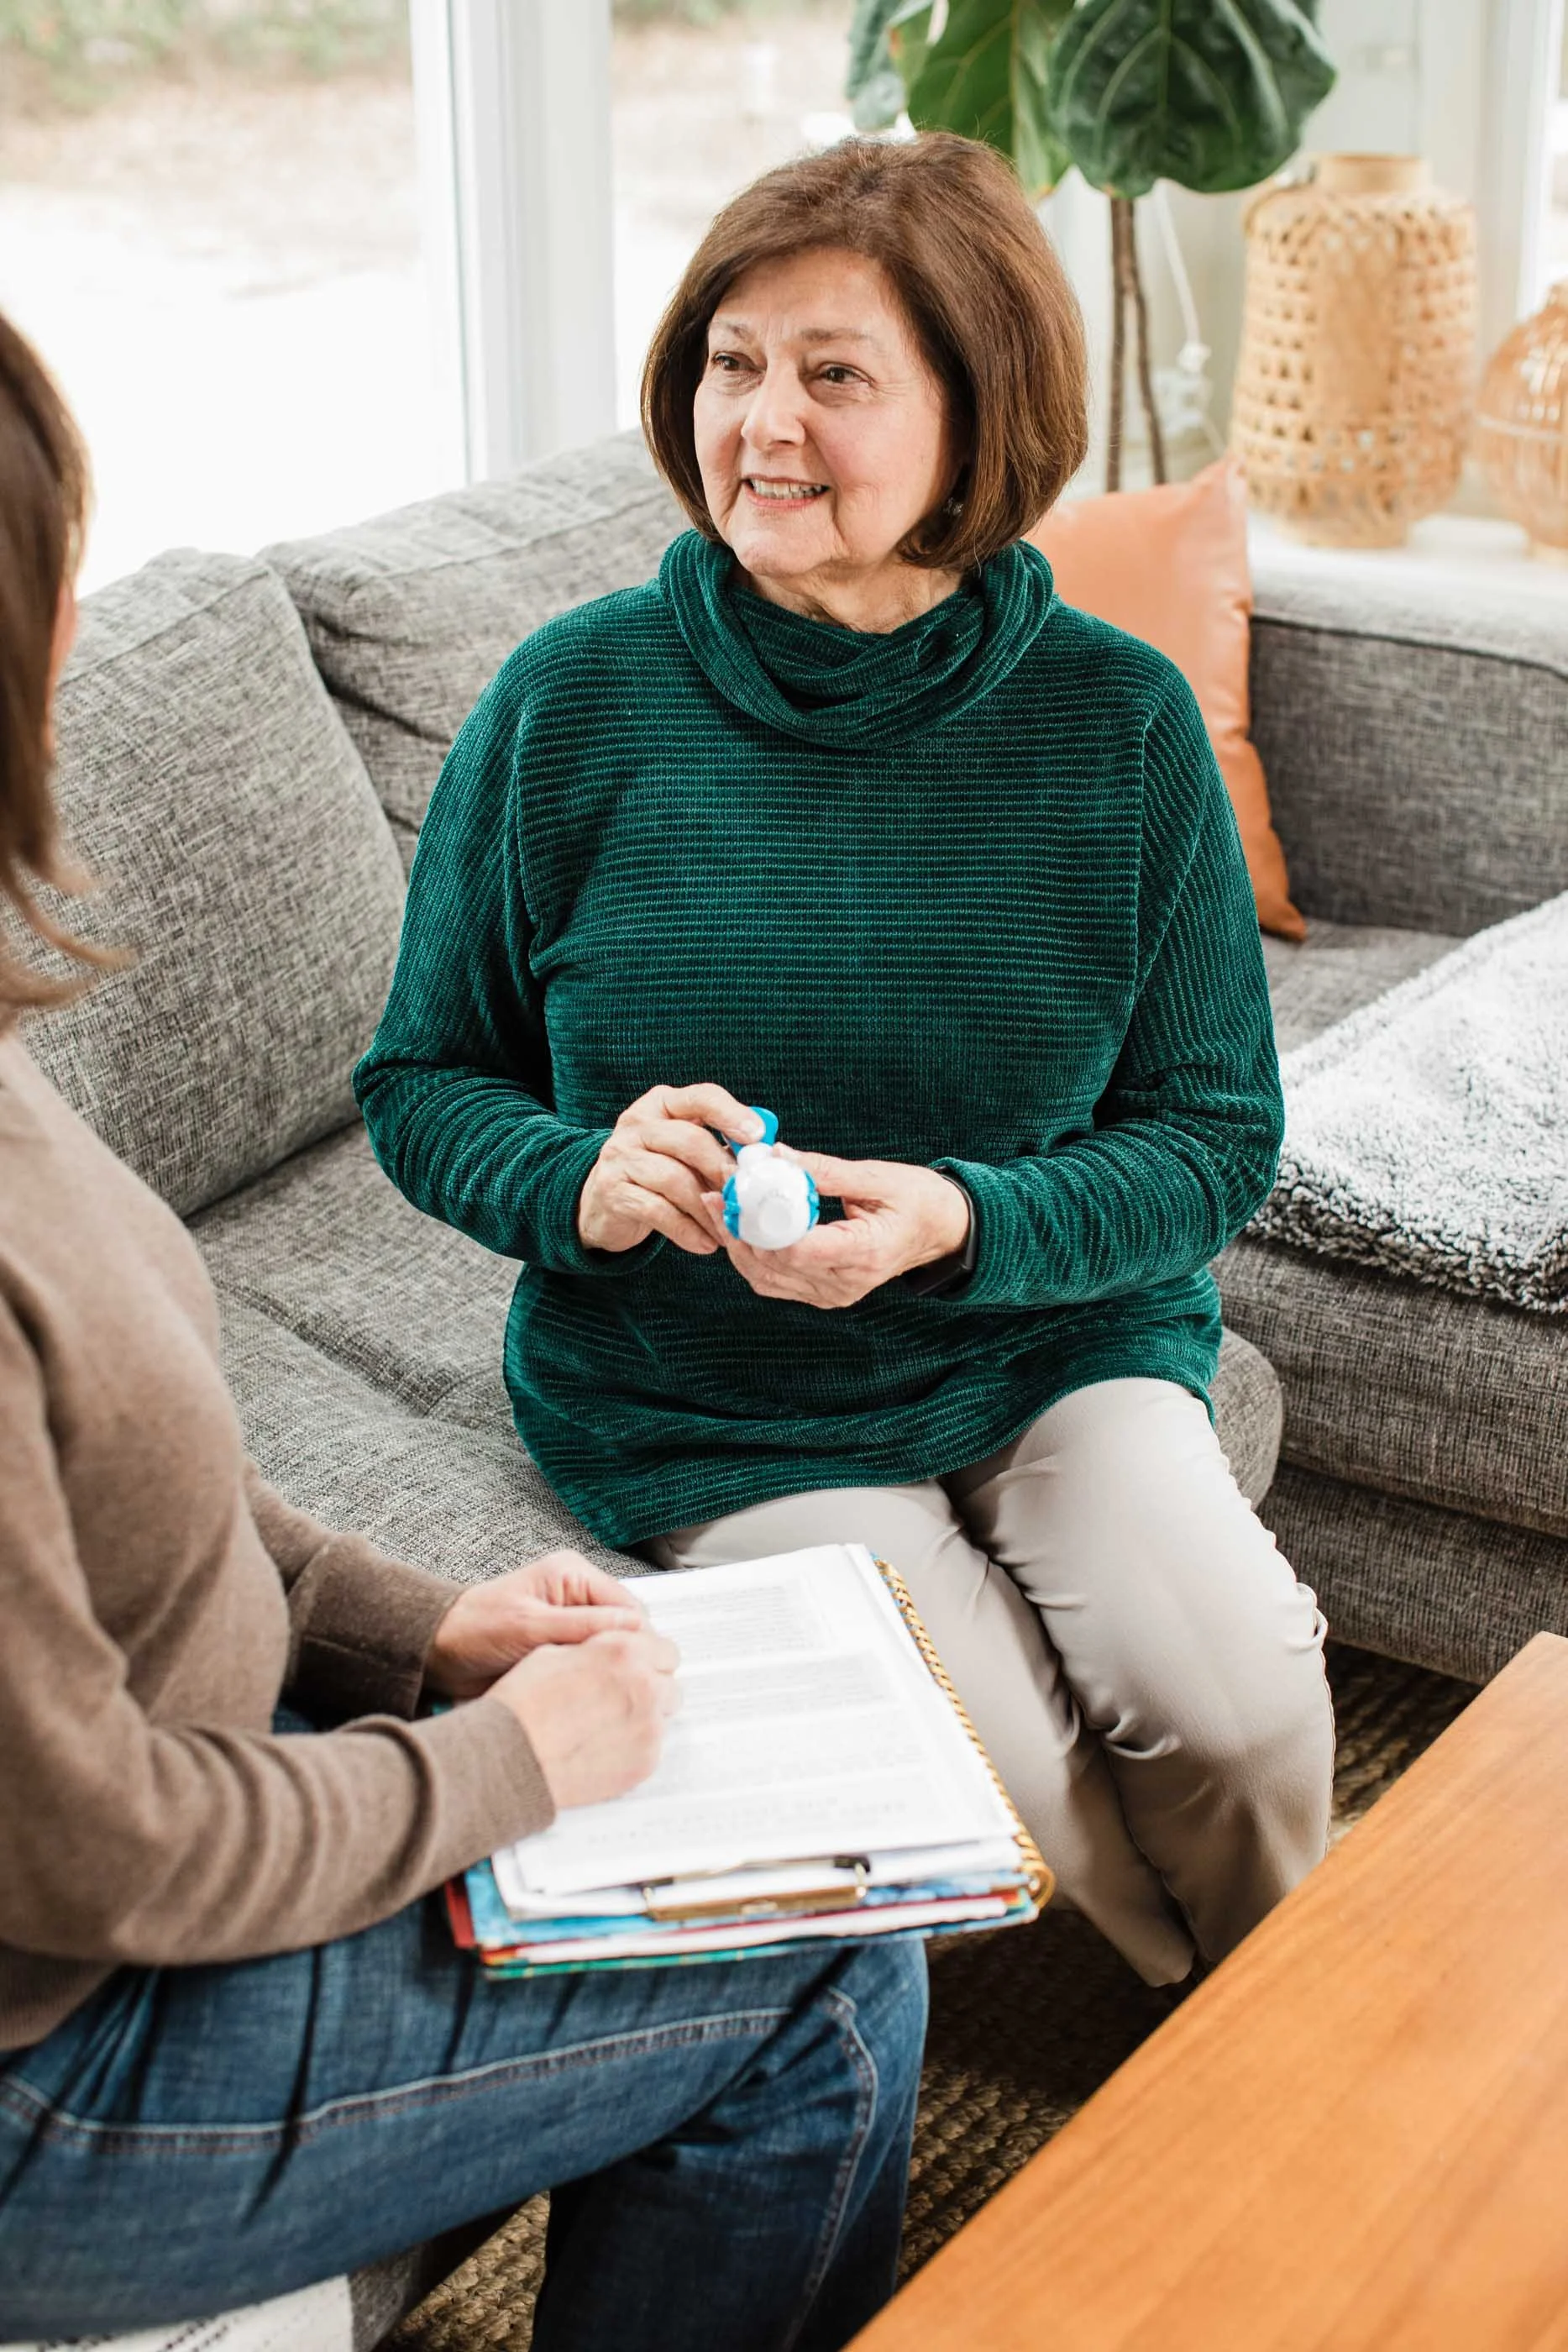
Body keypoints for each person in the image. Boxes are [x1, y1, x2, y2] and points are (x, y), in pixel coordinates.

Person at [0, 308, 926, 2350]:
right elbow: (88, 1843)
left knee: (783, 1832)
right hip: (56, 2072)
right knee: (825, 1960)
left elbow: (138, 1472)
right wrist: (502, 1761)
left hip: (192, 1811)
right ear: (39, 629)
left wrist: (420, 1633)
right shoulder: (589, 704)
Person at [358, 132, 1336, 1993]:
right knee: (1001, 1775)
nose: (762, 423)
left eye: (833, 374)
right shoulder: (571, 704)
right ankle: (1194, 2087)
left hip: (1057, 1339)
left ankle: (1300, 2071)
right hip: (712, 1394)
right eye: (732, 363)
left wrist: (964, 1218)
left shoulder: (1116, 727)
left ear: (977, 418)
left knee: (1249, 1707)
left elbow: (1215, 1140)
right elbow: (421, 1079)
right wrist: (577, 1175)